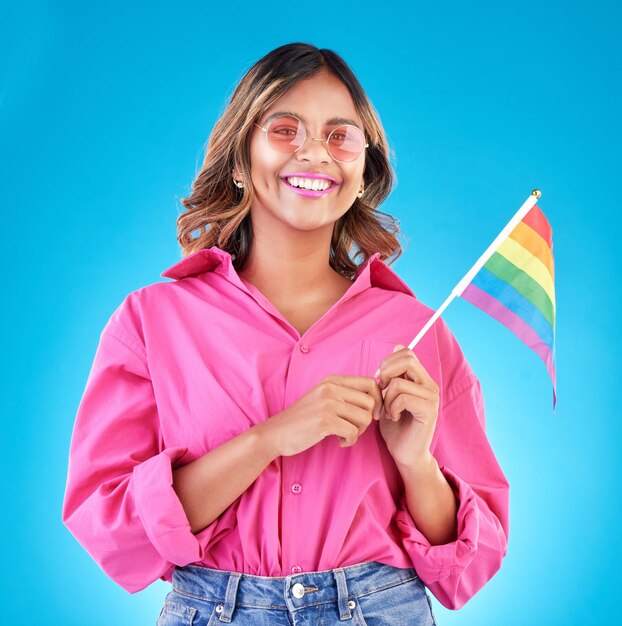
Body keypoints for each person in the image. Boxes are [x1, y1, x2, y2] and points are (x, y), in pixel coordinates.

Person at [61, 42, 509, 625]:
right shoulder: (152, 319)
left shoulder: (416, 331)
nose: (316, 153)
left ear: (362, 168)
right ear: (242, 157)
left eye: (340, 136)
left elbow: (466, 567)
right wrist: (268, 439)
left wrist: (416, 462)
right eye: (285, 129)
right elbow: (109, 524)